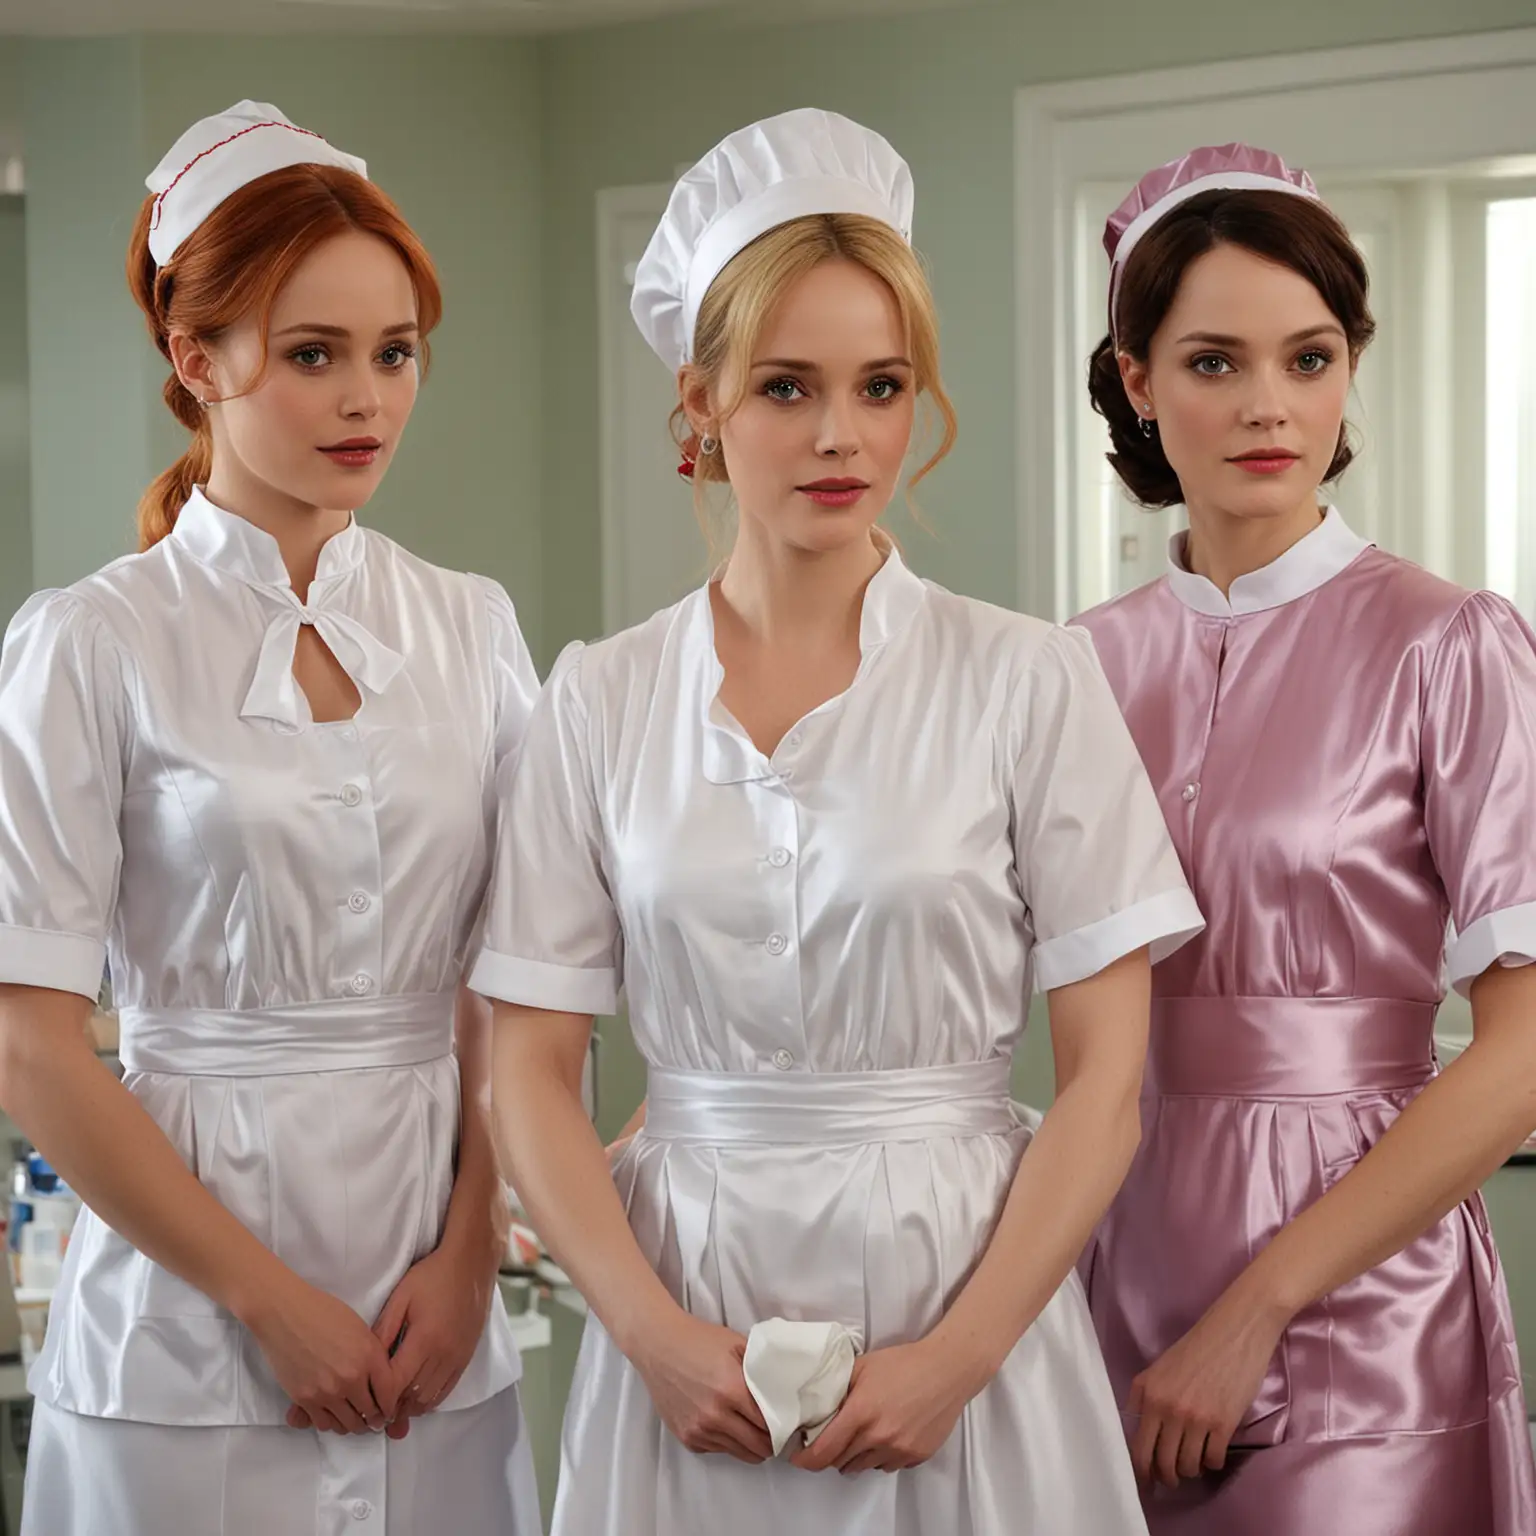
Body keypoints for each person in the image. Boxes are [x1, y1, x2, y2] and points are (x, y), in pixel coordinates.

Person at [474, 108, 1203, 1533]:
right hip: (683, 1300)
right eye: (786, 387)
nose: (839, 435)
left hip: (965, 1292)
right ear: (699, 402)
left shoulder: (1026, 679)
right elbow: (528, 1075)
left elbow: (1108, 1082)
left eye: (880, 387)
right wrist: (652, 1336)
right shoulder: (598, 701)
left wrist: (959, 1360)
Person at [0, 101, 541, 1535]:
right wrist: (266, 1301)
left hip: (441, 1325)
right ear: (197, 359)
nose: (367, 398)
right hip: (182, 1343)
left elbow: (526, 985)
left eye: (394, 352)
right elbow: (29, 1041)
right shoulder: (90, 643)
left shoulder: (472, 627)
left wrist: (474, 1251)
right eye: (313, 356)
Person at [1076, 142, 1536, 1534]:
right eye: (1214, 362)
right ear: (1139, 382)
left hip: (1363, 1292)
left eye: (1311, 356)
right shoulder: (1070, 670)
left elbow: (1524, 1052)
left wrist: (1258, 1308)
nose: (1271, 406)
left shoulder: (1451, 645)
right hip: (1113, 1255)